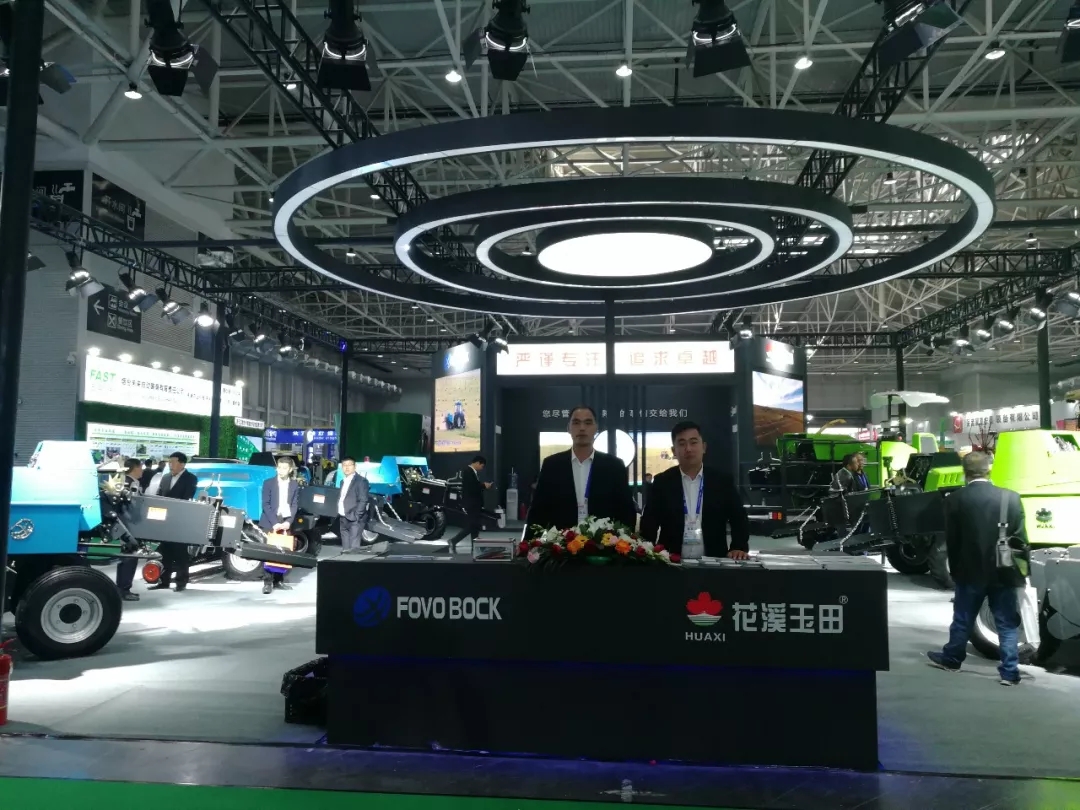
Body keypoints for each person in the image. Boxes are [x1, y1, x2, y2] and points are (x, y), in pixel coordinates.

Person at [927, 451, 1029, 686]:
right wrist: (1022, 573)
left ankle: (952, 659)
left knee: (963, 619)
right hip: (1004, 571)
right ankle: (1010, 672)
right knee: (1006, 622)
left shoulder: (954, 500)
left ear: (965, 472)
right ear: (989, 469)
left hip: (969, 571)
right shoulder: (1011, 498)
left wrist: (955, 571)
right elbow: (1021, 540)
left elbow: (952, 541)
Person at [640, 421, 750, 560]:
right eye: (682, 444)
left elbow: (739, 517)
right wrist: (646, 552)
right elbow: (649, 522)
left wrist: (738, 546)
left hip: (713, 560)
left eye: (693, 442)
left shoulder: (722, 481)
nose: (688, 449)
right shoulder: (662, 482)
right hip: (671, 561)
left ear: (703, 447)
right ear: (674, 451)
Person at [526, 406, 636, 534]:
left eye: (588, 423)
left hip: (603, 543)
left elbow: (626, 512)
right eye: (576, 423)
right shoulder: (552, 465)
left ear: (596, 428)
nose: (582, 428)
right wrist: (531, 542)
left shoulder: (614, 466)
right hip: (561, 542)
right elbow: (538, 512)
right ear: (568, 428)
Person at [150, 452, 199, 592]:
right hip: (165, 520)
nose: (170, 464)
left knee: (180, 553)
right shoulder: (165, 478)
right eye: (169, 462)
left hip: (180, 521)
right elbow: (159, 496)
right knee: (165, 552)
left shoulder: (190, 478)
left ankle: (181, 582)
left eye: (173, 462)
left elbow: (186, 498)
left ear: (182, 464)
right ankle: (163, 581)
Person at [259, 456, 300, 594]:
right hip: (270, 521)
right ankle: (267, 582)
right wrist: (275, 523)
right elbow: (265, 504)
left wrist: (288, 522)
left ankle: (279, 580)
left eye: (284, 468)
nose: (281, 470)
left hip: (286, 520)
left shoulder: (294, 484)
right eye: (279, 467)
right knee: (268, 553)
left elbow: (294, 504)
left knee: (283, 552)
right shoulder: (268, 483)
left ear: (290, 469)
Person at [448, 455, 492, 553]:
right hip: (471, 504)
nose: (482, 468)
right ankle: (454, 540)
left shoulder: (471, 472)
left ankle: (475, 547)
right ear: (478, 463)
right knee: (473, 525)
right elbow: (472, 487)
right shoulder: (468, 471)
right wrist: (483, 485)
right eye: (482, 466)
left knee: (475, 526)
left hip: (474, 503)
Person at [116, 458, 144, 602]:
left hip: (125, 526)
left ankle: (122, 588)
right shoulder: (130, 484)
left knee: (126, 557)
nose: (142, 470)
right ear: (135, 468)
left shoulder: (124, 481)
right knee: (130, 557)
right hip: (130, 526)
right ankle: (124, 589)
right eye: (141, 467)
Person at [337, 456, 370, 551]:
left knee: (353, 549)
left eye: (349, 465)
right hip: (343, 518)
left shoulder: (361, 481)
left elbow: (363, 500)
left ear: (355, 466)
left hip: (354, 519)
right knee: (345, 549)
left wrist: (356, 516)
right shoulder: (342, 481)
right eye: (344, 465)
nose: (347, 467)